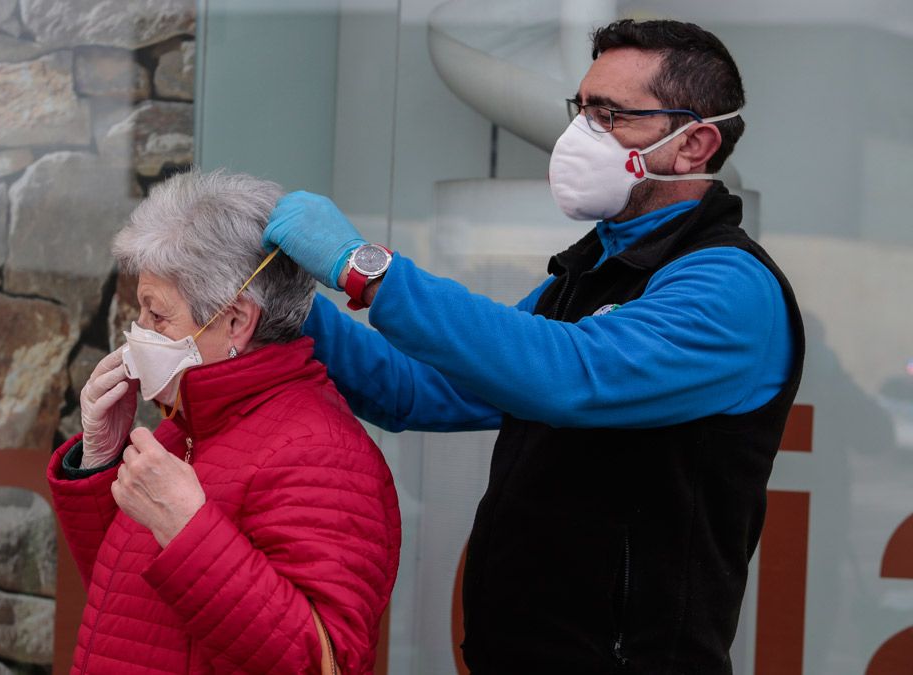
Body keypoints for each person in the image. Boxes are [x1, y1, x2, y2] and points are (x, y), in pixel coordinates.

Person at [262, 19, 805, 674]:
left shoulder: (728, 286)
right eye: (581, 108)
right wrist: (287, 306)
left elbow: (570, 374)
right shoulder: (588, 275)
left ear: (695, 144)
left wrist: (364, 268)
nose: (580, 134)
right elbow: (413, 386)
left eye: (611, 114)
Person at [48, 170, 402, 674]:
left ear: (236, 320)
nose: (138, 334)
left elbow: (325, 661)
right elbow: (130, 609)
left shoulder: (322, 451)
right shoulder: (186, 428)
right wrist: (100, 461)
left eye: (157, 315)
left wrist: (189, 530)